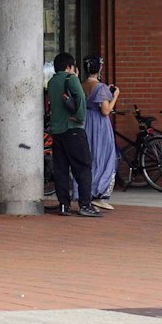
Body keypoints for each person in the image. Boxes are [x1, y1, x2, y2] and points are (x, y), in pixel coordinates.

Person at [45, 52, 99, 218]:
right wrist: (80, 117)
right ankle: (85, 204)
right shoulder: (71, 79)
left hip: (58, 132)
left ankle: (64, 205)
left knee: (61, 169)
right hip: (73, 129)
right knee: (83, 167)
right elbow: (81, 98)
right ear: (69, 66)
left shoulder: (52, 82)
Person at [82, 56, 118, 211]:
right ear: (99, 69)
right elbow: (105, 110)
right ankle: (99, 193)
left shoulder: (82, 84)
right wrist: (115, 95)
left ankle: (88, 193)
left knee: (90, 157)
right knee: (104, 157)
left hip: (86, 122)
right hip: (100, 125)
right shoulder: (101, 87)